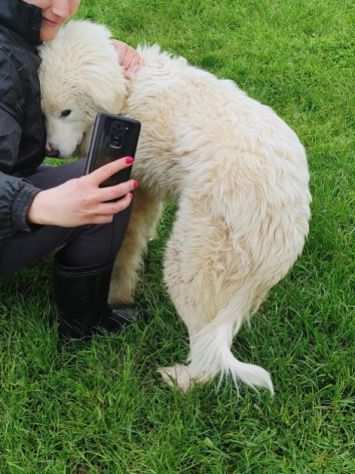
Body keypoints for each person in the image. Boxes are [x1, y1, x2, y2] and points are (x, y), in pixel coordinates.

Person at [0, 0, 143, 339]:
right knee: (107, 185)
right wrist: (34, 205)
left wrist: (98, 54)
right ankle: (82, 326)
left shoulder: (14, 31)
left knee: (101, 179)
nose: (63, 9)